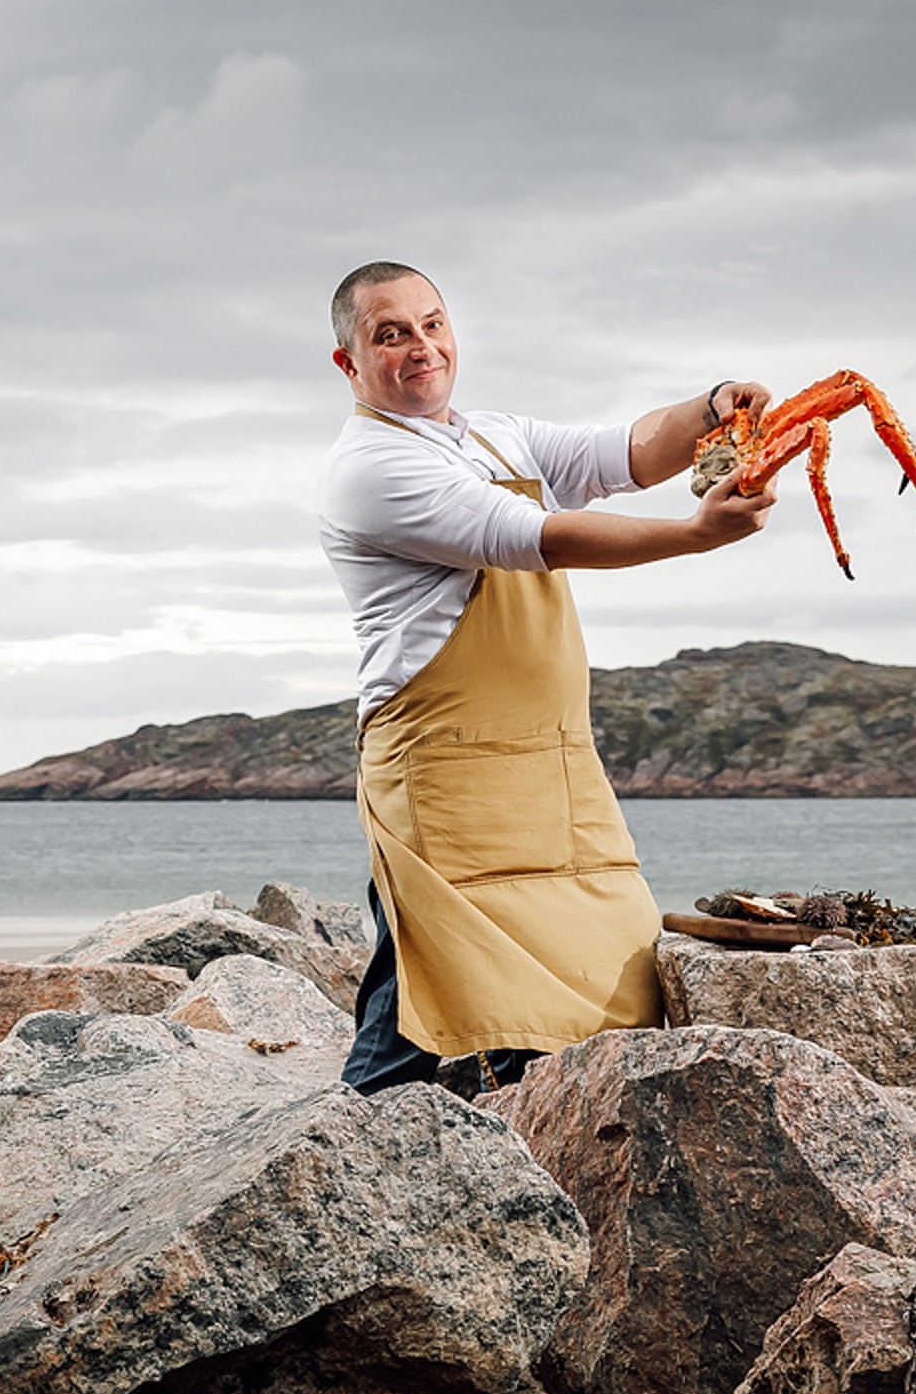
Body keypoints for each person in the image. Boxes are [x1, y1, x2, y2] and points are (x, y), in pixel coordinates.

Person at [317, 261, 777, 1094]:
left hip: (554, 763)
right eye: (391, 334)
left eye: (432, 323)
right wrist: (693, 535)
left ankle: (506, 1145)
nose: (421, 346)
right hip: (446, 771)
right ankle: (334, 1156)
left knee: (608, 967)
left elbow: (627, 454)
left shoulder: (495, 435)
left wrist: (712, 406)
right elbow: (536, 537)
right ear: (349, 363)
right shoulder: (371, 468)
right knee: (433, 987)